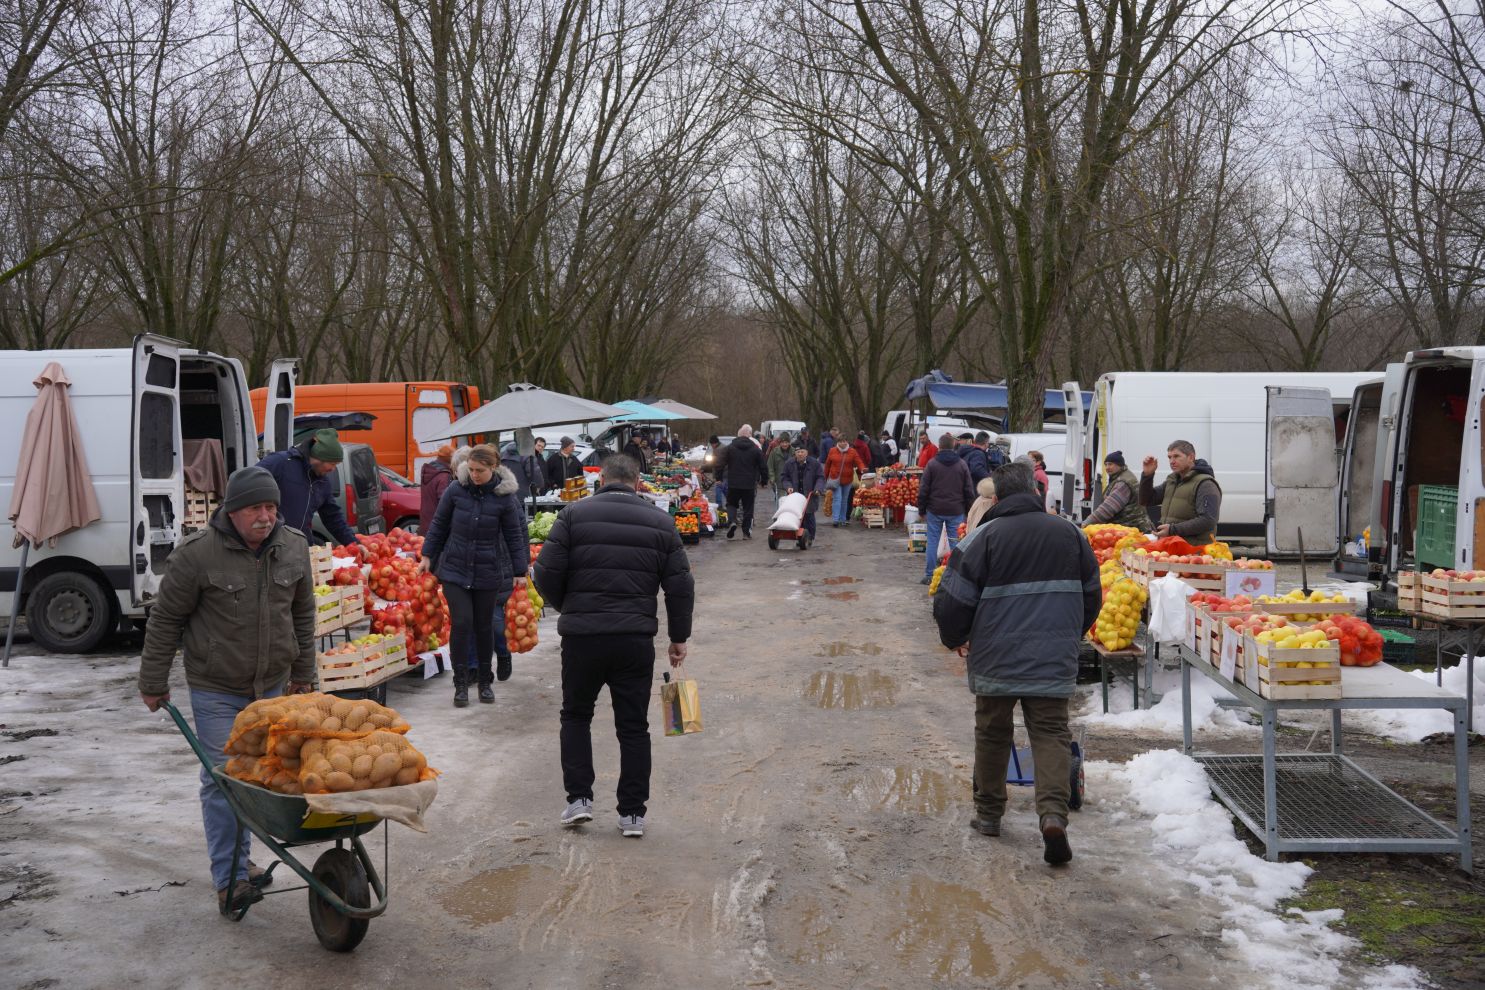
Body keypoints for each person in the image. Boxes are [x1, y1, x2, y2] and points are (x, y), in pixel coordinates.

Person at [138, 466, 316, 914]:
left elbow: (303, 614)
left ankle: (242, 858)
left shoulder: (293, 546)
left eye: (271, 507)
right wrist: (153, 681)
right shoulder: (197, 554)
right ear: (232, 510)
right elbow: (166, 620)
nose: (265, 516)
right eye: (255, 508)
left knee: (262, 775)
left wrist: (303, 672)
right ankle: (230, 879)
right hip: (217, 687)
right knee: (225, 779)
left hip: (272, 685)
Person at [932, 462, 1100, 867]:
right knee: (1050, 733)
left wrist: (956, 637)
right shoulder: (1070, 535)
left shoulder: (982, 538)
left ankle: (989, 814)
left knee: (992, 731)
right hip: (1052, 657)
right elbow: (1093, 594)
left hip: (995, 656)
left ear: (997, 498)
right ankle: (1053, 816)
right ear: (1036, 491)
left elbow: (952, 598)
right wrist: (1069, 633)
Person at [533, 454, 694, 838]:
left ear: (601, 479)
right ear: (638, 483)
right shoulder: (660, 522)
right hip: (633, 640)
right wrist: (678, 637)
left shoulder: (572, 515)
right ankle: (633, 815)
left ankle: (579, 800)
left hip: (582, 639)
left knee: (576, 716)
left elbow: (545, 571)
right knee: (634, 726)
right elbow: (680, 585)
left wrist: (568, 607)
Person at [420, 444, 528, 707]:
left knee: (483, 626)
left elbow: (514, 535)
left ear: (494, 468)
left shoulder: (504, 497)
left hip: (487, 570)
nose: (474, 475)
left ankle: (484, 682)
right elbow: (439, 523)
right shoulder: (456, 489)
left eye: (480, 470)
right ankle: (460, 683)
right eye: (471, 470)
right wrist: (427, 555)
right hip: (455, 568)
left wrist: (519, 570)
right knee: (462, 622)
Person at [256, 428, 356, 546]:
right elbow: (248, 481)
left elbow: (332, 517)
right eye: (332, 464)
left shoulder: (322, 482)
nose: (333, 469)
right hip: (272, 545)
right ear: (320, 457)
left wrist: (353, 543)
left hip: (301, 545)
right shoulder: (281, 462)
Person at [917, 432, 975, 584]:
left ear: (940, 446)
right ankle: (955, 576)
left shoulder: (932, 464)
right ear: (954, 445)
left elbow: (923, 489)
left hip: (934, 509)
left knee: (932, 542)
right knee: (956, 543)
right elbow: (968, 490)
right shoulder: (961, 464)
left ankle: (929, 575)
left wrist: (921, 509)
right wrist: (969, 510)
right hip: (956, 510)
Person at [1138, 441, 1222, 544]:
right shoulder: (1172, 481)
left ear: (1191, 457)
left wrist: (1172, 530)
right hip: (1172, 546)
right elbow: (1146, 500)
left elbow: (1208, 520)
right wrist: (1147, 476)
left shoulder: (1206, 484)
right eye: (1169, 457)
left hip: (1195, 550)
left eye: (1176, 456)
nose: (1172, 461)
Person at [719, 426, 769, 538]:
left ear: (738, 435)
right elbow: (763, 466)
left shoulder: (730, 448)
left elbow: (720, 463)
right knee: (748, 508)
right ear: (750, 435)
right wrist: (764, 480)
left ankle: (732, 521)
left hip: (733, 483)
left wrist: (719, 477)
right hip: (749, 484)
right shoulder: (755, 449)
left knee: (731, 503)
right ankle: (746, 532)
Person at [1084, 451, 1153, 530]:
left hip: (1133, 530)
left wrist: (1086, 523)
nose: (1107, 467)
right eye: (1106, 464)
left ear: (1119, 465)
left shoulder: (1123, 483)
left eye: (1110, 464)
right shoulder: (1121, 476)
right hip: (1130, 528)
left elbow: (1108, 508)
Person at [779, 445, 826, 544]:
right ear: (795, 453)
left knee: (809, 516)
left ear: (806, 453)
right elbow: (784, 477)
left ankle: (810, 537)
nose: (800, 454)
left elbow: (820, 477)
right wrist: (788, 486)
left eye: (802, 452)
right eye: (798, 452)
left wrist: (818, 488)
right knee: (798, 516)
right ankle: (800, 536)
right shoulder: (789, 463)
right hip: (795, 495)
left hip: (810, 494)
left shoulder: (814, 463)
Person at [823, 434, 866, 528]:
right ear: (837, 442)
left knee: (844, 500)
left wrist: (862, 468)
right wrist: (825, 477)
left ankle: (843, 519)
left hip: (847, 479)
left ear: (847, 442)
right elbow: (827, 465)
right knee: (837, 498)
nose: (842, 443)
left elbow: (859, 461)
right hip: (835, 479)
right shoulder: (832, 450)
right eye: (840, 441)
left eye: (844, 441)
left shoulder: (852, 451)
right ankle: (836, 519)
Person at [420, 443, 456, 533]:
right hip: (436, 525)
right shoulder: (444, 475)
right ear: (450, 458)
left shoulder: (429, 470)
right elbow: (445, 504)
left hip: (425, 521)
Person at [766, 433, 794, 499]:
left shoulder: (794, 452)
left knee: (791, 501)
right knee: (780, 501)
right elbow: (770, 466)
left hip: (791, 482)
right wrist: (772, 478)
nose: (784, 444)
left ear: (789, 442)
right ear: (780, 443)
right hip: (778, 482)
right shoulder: (774, 452)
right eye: (782, 442)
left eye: (786, 442)